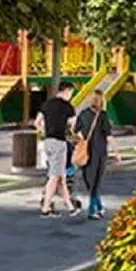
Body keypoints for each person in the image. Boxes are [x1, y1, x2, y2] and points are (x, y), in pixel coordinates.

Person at [35, 81, 81, 217]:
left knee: (61, 178)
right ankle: (45, 208)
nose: (71, 96)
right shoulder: (68, 107)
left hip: (48, 142)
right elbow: (73, 128)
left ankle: (71, 207)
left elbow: (37, 123)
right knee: (54, 177)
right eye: (71, 93)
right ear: (66, 90)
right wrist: (77, 138)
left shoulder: (47, 104)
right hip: (59, 143)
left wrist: (44, 131)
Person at [76, 90, 120, 219]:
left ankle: (99, 206)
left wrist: (82, 142)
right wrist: (117, 153)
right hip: (99, 153)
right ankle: (92, 210)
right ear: (102, 101)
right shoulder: (103, 116)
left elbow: (76, 131)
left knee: (89, 181)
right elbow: (109, 136)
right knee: (96, 182)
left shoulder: (83, 114)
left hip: (85, 153)